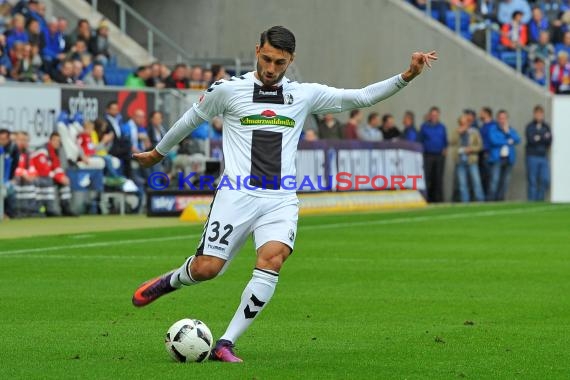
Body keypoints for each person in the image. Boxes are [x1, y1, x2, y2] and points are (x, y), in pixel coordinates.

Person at [130, 26, 437, 362]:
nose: (271, 68)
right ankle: (170, 281)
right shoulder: (228, 90)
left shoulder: (304, 95)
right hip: (236, 195)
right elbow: (191, 119)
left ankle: (225, 343)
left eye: (279, 62)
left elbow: (361, 97)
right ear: (256, 50)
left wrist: (407, 75)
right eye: (266, 59)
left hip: (280, 199)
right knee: (207, 269)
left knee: (272, 259)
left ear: (292, 59)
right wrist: (158, 153)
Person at [487, 109, 521, 201]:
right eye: (500, 118)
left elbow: (517, 139)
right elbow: (494, 141)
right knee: (494, 181)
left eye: (504, 118)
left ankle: (500, 200)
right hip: (497, 158)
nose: (502, 120)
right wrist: (508, 141)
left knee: (505, 182)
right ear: (497, 119)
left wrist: (508, 132)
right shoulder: (493, 129)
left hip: (508, 159)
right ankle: (491, 200)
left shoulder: (510, 129)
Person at [450, 115, 485, 202]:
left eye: (465, 122)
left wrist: (471, 149)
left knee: (476, 182)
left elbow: (480, 146)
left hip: (471, 159)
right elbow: (451, 141)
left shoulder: (474, 132)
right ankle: (465, 201)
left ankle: (480, 200)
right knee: (462, 184)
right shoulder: (455, 131)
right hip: (460, 160)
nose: (464, 124)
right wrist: (458, 133)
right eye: (462, 123)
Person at [419, 106, 447, 203]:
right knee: (427, 178)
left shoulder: (442, 127)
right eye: (433, 115)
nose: (434, 116)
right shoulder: (424, 127)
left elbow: (445, 140)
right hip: (428, 155)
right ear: (430, 116)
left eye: (436, 115)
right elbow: (420, 140)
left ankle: (438, 200)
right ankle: (427, 199)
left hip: (439, 156)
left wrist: (444, 148)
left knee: (438, 178)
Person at [525, 105, 552, 201]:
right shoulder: (530, 126)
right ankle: (532, 201)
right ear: (534, 114)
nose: (539, 115)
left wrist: (539, 137)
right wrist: (543, 137)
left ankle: (540, 200)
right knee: (533, 181)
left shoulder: (546, 126)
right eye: (537, 113)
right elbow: (531, 140)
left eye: (541, 114)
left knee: (545, 180)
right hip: (532, 156)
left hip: (543, 156)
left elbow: (549, 140)